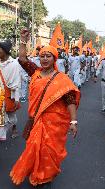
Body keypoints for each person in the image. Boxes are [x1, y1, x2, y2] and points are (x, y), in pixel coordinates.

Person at [10, 29, 81, 187]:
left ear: (54, 58)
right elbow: (22, 58)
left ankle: (45, 176)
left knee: (48, 151)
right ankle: (35, 172)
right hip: (35, 120)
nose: (44, 59)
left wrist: (74, 122)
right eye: (42, 56)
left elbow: (70, 101)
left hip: (54, 123)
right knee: (34, 147)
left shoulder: (62, 79)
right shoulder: (35, 72)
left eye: (48, 56)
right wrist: (22, 40)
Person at [0, 40, 22, 140]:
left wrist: (16, 99)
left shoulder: (14, 64)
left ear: (5, 51)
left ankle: (14, 127)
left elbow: (17, 83)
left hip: (10, 93)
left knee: (11, 115)